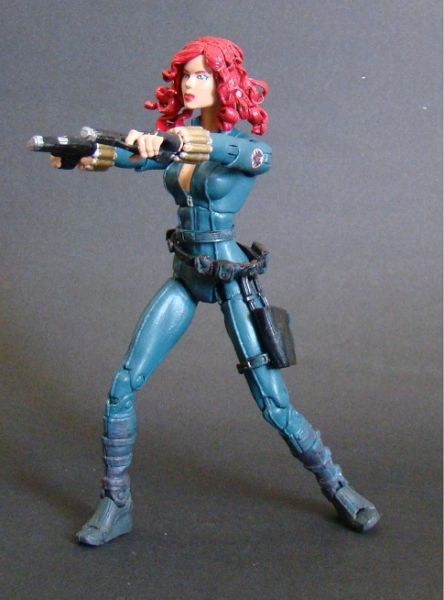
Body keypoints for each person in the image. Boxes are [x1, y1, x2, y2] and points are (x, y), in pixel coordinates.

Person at [52, 37, 379, 545]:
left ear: (225, 82)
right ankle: (116, 503)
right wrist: (89, 154)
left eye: (202, 75)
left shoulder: (247, 149)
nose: (191, 83)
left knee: (273, 403)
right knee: (123, 384)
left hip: (229, 278)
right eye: (187, 75)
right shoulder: (178, 145)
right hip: (186, 274)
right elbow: (133, 159)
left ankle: (337, 486)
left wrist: (178, 141)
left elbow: (237, 152)